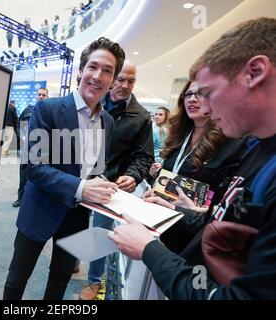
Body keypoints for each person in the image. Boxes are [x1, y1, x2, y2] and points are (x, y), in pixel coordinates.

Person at [109, 17, 276, 299]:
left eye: (208, 93)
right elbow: (223, 228)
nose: (205, 108)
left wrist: (149, 250)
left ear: (255, 73)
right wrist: (182, 210)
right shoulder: (261, 151)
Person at [3, 37, 126, 300]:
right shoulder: (47, 109)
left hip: (77, 216)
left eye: (107, 71)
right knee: (17, 280)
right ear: (81, 71)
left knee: (58, 283)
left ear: (113, 80)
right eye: (93, 67)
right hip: (39, 210)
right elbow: (33, 166)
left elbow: (94, 168)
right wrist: (82, 188)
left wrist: (103, 183)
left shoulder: (108, 122)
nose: (97, 76)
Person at [79, 61, 154, 300]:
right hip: (79, 179)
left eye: (131, 81)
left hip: (108, 188)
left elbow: (144, 157)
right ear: (111, 79)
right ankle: (70, 259)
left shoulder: (141, 117)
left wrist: (132, 175)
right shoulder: (91, 101)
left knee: (101, 234)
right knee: (74, 225)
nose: (125, 85)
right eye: (121, 79)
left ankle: (93, 281)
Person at [148, 80, 247, 254]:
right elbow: (173, 175)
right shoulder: (179, 135)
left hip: (194, 238)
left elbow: (226, 205)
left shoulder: (231, 143)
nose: (192, 99)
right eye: (188, 94)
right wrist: (154, 182)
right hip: (161, 225)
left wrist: (192, 211)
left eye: (200, 93)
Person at [12, 88, 49, 208]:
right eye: (39, 94)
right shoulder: (27, 110)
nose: (41, 96)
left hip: (43, 151)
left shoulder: (50, 111)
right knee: (23, 176)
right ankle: (20, 198)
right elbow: (18, 125)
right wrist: (22, 136)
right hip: (26, 150)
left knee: (40, 177)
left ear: (47, 96)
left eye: (43, 95)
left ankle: (35, 202)